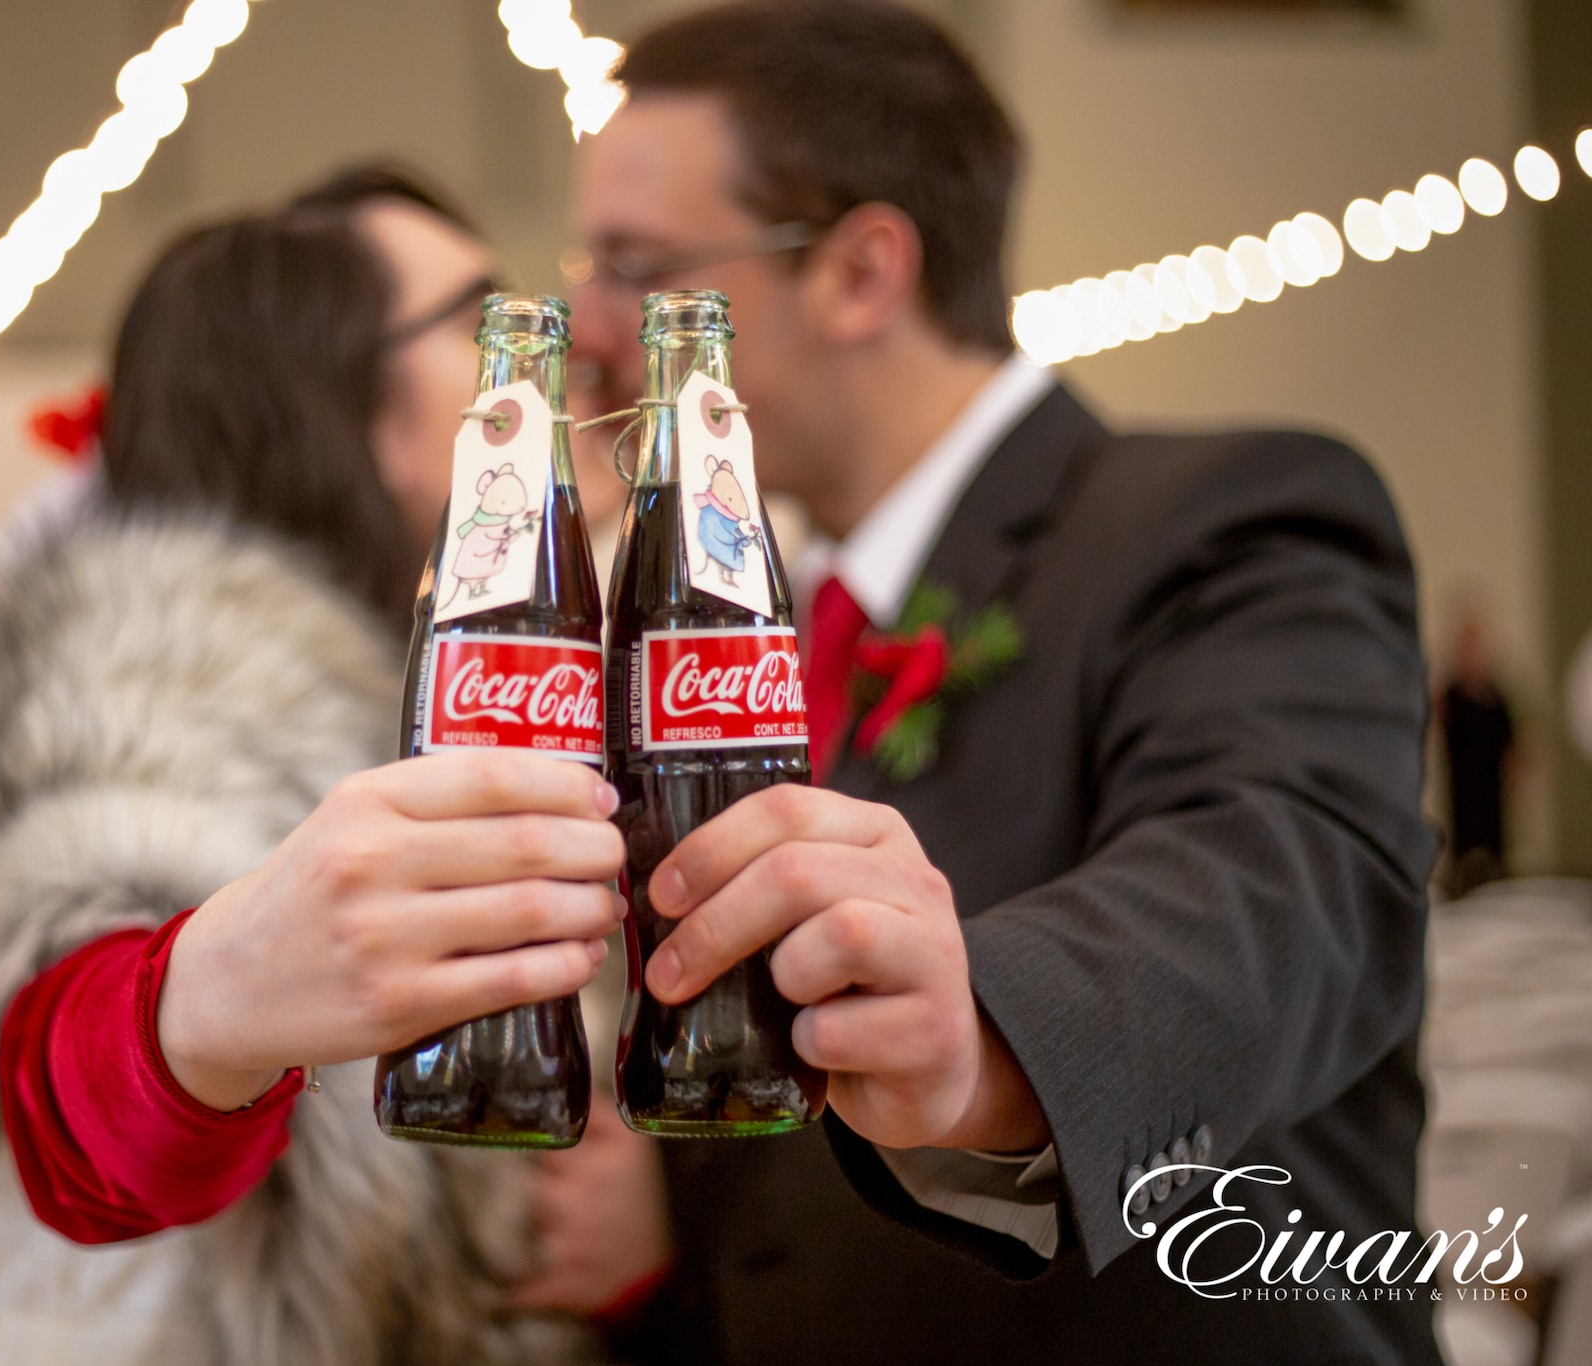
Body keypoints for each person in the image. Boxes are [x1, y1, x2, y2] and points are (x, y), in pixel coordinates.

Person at [540, 3, 1439, 1362]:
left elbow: (1287, 883)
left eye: (643, 271)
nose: (594, 325)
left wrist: (983, 1040)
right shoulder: (737, 603)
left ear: (862, 272)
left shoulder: (1229, 514)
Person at [0, 167, 626, 1366]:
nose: (551, 354)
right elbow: (57, 1077)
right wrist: (202, 1001)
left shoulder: (443, 672)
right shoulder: (136, 700)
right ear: (328, 408)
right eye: (482, 319)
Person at [1437, 601, 1516, 891]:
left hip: (1491, 785)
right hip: (1462, 785)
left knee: (1494, 840)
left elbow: (1513, 743)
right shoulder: (1451, 695)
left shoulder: (1496, 698)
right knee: (1464, 838)